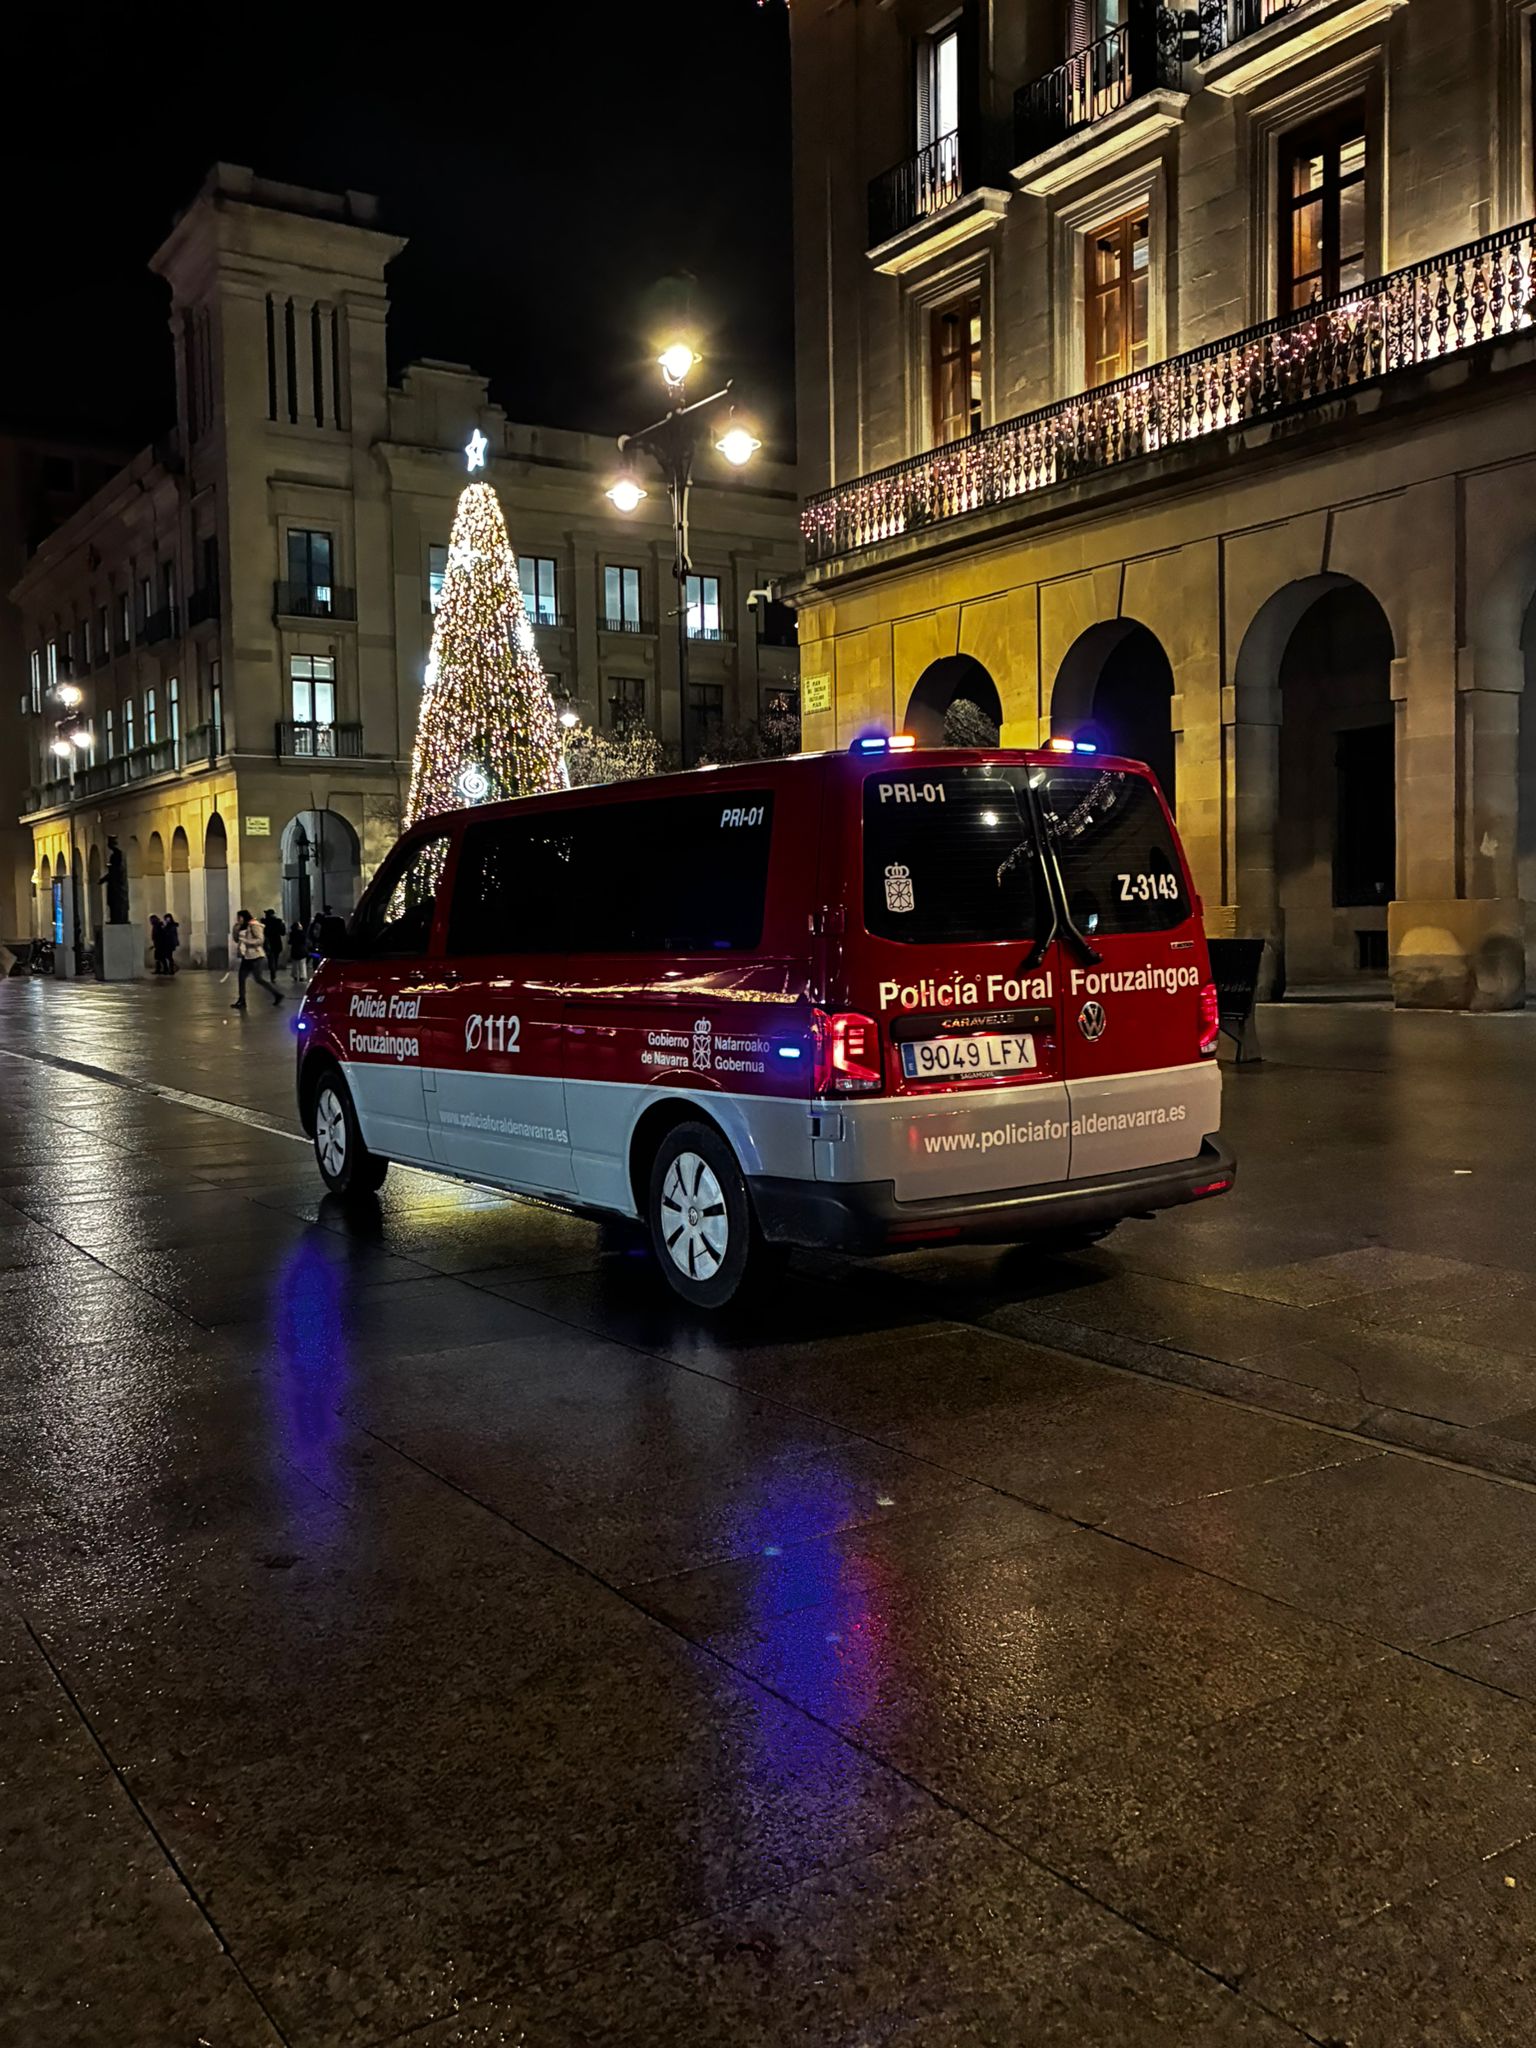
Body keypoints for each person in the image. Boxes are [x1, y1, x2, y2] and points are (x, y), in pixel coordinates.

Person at [231, 909, 284, 1009]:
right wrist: (236, 929)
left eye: (239, 917)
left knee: (258, 978)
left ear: (244, 917)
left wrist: (247, 941)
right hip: (246, 956)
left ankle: (277, 994)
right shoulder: (242, 927)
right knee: (241, 978)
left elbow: (260, 940)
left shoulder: (254, 925)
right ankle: (242, 1000)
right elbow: (236, 939)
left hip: (256, 956)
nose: (238, 919)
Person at [262, 908, 285, 979]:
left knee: (270, 958)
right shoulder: (278, 921)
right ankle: (274, 971)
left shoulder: (264, 922)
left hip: (268, 942)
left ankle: (272, 971)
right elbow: (283, 933)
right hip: (277, 942)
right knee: (275, 958)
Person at [287, 917, 308, 983]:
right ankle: (302, 976)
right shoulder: (302, 933)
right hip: (302, 950)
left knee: (295, 964)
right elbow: (304, 941)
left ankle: (295, 975)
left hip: (294, 949)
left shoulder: (292, 933)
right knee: (302, 964)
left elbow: (289, 942)